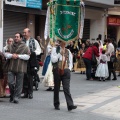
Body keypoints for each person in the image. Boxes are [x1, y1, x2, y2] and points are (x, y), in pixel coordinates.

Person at [51, 40, 77, 111]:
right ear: (60, 42)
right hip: (57, 69)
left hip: (66, 70)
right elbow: (53, 60)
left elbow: (71, 62)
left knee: (66, 88)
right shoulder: (55, 49)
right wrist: (59, 54)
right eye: (63, 41)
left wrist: (69, 68)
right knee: (57, 87)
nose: (65, 43)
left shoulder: (68, 51)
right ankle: (56, 103)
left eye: (66, 42)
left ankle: (70, 104)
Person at [4, 33, 30, 103]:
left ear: (21, 38)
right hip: (11, 67)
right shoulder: (10, 46)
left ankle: (16, 97)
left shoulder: (25, 47)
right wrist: (12, 55)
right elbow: (5, 54)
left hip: (20, 68)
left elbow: (28, 57)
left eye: (17, 37)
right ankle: (12, 95)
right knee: (10, 83)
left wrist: (18, 56)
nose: (16, 38)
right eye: (15, 37)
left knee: (19, 84)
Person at [22, 28, 41, 99]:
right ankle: (25, 92)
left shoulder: (34, 41)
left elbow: (39, 50)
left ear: (29, 33)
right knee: (24, 77)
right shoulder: (22, 41)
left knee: (30, 77)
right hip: (23, 60)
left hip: (31, 61)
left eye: (25, 33)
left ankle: (30, 92)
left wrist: (32, 53)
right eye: (23, 33)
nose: (24, 34)